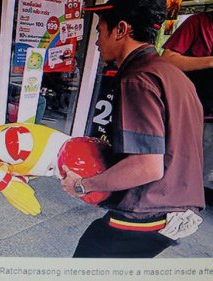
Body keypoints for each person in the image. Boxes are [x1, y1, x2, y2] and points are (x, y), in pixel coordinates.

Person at [60, 0, 205, 258]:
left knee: (88, 257)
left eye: (99, 32)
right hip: (179, 206)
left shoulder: (137, 78)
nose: (96, 42)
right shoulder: (173, 74)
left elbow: (147, 165)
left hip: (149, 209)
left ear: (121, 29)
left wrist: (82, 185)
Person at [161, 11, 213, 198]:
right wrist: (209, 61)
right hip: (193, 110)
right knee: (178, 163)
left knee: (201, 173)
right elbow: (167, 58)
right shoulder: (199, 22)